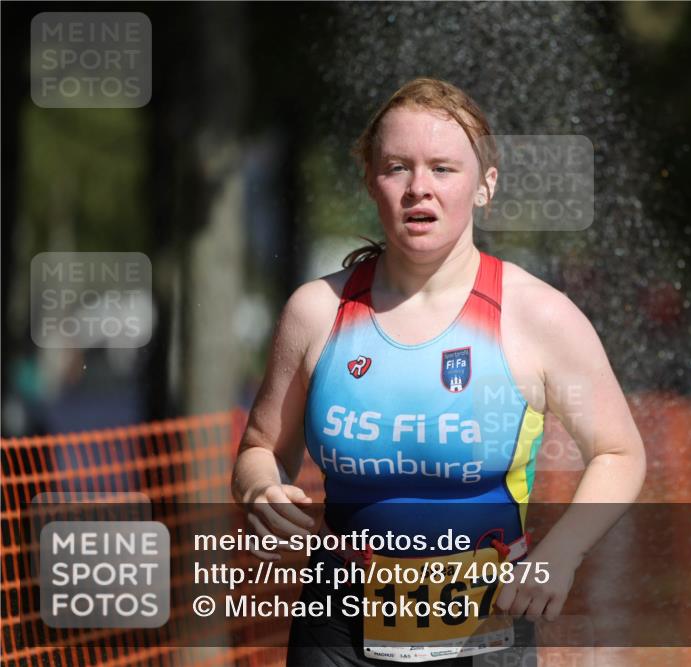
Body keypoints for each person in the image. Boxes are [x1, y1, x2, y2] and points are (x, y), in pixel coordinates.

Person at [231, 77, 646, 666]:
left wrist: (562, 555)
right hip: (336, 625)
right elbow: (262, 446)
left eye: (444, 169)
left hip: (488, 628)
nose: (419, 188)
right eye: (398, 167)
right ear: (371, 182)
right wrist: (259, 487)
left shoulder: (538, 315)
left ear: (485, 187)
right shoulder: (315, 311)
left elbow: (619, 452)